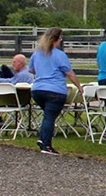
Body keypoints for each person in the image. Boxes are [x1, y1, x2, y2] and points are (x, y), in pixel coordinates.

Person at [30, 27, 83, 155]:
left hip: (38, 89)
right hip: (55, 90)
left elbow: (31, 70)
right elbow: (69, 73)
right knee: (50, 117)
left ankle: (43, 139)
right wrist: (79, 86)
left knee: (47, 115)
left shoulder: (36, 54)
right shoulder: (60, 55)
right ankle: (46, 144)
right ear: (57, 39)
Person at [0, 55, 33, 128]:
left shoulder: (22, 75)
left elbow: (11, 82)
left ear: (20, 63)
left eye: (14, 62)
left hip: (18, 101)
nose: (12, 64)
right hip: (25, 99)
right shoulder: (28, 72)